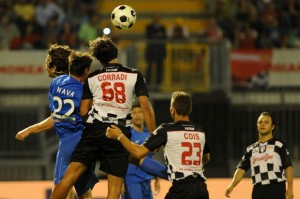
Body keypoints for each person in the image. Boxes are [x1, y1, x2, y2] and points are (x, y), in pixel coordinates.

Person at [50, 36, 156, 199]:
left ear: (98, 58)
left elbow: (84, 111)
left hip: (94, 131)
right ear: (116, 52)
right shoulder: (134, 75)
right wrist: (154, 135)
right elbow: (145, 106)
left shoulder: (92, 78)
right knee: (113, 191)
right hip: (117, 133)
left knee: (68, 179)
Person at [15, 44, 98, 199]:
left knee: (61, 186)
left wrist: (29, 130)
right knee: (84, 191)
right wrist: (29, 129)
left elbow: (57, 117)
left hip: (69, 141)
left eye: (47, 61)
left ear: (53, 66)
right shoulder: (84, 86)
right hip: (86, 140)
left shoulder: (56, 84)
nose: (45, 65)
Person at [106, 91, 211, 199]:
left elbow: (138, 153)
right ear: (189, 110)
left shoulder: (167, 130)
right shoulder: (199, 131)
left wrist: (119, 136)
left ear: (172, 110)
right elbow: (206, 158)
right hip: (201, 188)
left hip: (181, 189)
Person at [225, 112, 294, 199]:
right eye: (260, 122)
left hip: (276, 188)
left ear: (272, 126)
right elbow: (241, 169)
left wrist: (290, 188)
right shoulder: (250, 149)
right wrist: (232, 185)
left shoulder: (279, 145)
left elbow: (288, 166)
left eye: (266, 122)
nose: (262, 124)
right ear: (257, 125)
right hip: (258, 190)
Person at [122, 103, 160, 199]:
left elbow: (151, 157)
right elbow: (121, 158)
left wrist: (156, 177)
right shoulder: (127, 135)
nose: (138, 115)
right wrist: (121, 182)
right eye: (134, 113)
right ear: (130, 116)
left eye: (140, 112)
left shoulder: (149, 134)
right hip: (132, 180)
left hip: (147, 179)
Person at [144, 12, 167, 90]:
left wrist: (164, 52)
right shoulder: (149, 27)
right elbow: (149, 36)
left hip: (160, 51)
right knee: (149, 69)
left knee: (159, 69)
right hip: (151, 50)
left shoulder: (163, 28)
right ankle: (148, 85)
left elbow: (164, 39)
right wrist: (157, 36)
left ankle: (158, 86)